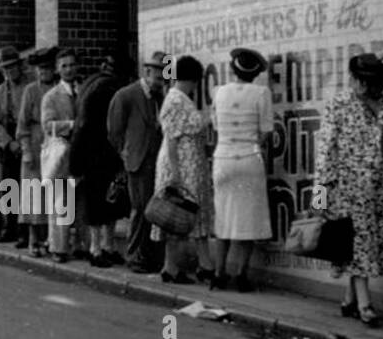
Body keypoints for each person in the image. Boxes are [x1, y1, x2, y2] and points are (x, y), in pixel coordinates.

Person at [316, 52, 383, 322]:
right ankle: (365, 305)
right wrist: (319, 199)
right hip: (349, 188)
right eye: (365, 81)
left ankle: (349, 299)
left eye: (375, 82)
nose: (370, 87)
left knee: (374, 244)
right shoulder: (339, 104)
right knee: (358, 243)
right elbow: (325, 151)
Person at [210, 48, 276, 292]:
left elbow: (216, 125)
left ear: (233, 69)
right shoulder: (261, 93)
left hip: (223, 158)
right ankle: (239, 275)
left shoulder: (219, 92)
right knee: (248, 221)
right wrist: (254, 143)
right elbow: (266, 130)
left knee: (223, 219)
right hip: (249, 158)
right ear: (256, 73)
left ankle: (218, 274)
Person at [152, 55, 214, 283]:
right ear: (192, 79)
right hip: (183, 166)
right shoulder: (178, 100)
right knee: (189, 213)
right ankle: (205, 265)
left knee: (176, 217)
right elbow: (171, 139)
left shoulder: (174, 98)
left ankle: (171, 268)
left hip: (182, 164)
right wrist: (176, 173)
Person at [107, 51, 165, 273]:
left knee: (153, 210)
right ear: (147, 72)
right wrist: (126, 153)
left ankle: (149, 255)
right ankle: (133, 255)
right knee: (140, 209)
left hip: (156, 160)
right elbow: (114, 131)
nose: (160, 83)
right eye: (158, 78)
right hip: (138, 161)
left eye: (164, 79)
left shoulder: (160, 96)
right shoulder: (126, 95)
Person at [71, 53, 125, 267]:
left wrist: (76, 161)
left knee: (100, 201)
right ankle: (100, 247)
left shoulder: (89, 84)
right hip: (104, 151)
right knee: (108, 201)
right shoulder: (111, 88)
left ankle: (101, 247)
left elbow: (81, 125)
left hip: (91, 152)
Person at [40, 48, 82, 262]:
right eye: (64, 66)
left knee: (79, 199)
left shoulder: (83, 90)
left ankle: (80, 245)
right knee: (60, 201)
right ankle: (59, 247)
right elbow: (47, 125)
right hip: (60, 152)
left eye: (72, 65)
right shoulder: (51, 96)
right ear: (58, 70)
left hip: (80, 152)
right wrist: (72, 125)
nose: (69, 69)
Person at [18, 46, 58, 256]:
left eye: (48, 69)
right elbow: (22, 124)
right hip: (35, 143)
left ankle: (53, 240)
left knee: (56, 192)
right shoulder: (31, 90)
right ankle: (34, 239)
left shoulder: (61, 89)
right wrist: (25, 150)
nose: (44, 73)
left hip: (56, 143)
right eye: (41, 69)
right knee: (34, 193)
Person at [0, 46, 28, 245]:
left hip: (27, 140)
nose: (9, 72)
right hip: (6, 145)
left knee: (27, 186)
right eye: (5, 68)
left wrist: (23, 141)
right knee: (7, 186)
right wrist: (8, 142)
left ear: (20, 66)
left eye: (12, 67)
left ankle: (25, 230)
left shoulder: (30, 87)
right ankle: (8, 227)